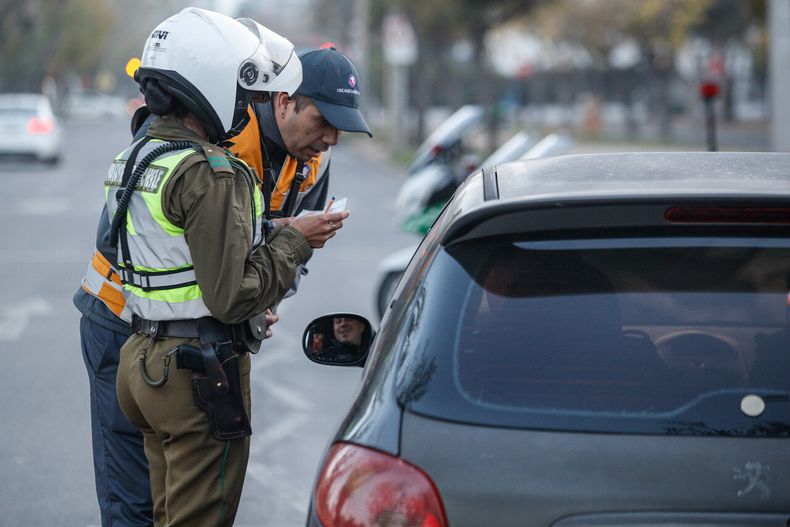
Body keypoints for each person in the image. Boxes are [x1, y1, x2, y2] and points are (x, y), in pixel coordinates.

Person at [74, 32, 372, 527]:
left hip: (197, 333)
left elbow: (282, 250)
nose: (330, 139)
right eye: (323, 121)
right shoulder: (214, 136)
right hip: (122, 320)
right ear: (283, 101)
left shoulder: (314, 159)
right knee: (136, 506)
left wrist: (270, 288)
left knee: (171, 503)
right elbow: (136, 236)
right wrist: (261, 262)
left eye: (342, 128)